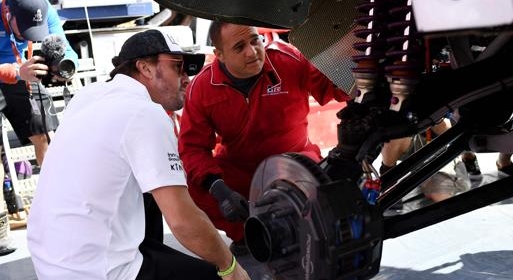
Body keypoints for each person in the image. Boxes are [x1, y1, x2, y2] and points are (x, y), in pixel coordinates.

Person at [27, 29, 250, 280]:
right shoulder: (144, 113)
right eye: (178, 67)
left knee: (150, 189)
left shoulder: (87, 97)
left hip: (51, 262)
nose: (186, 78)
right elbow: (182, 220)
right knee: (215, 276)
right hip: (95, 271)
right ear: (144, 68)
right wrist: (230, 267)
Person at [178, 21, 351, 255]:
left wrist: (350, 58)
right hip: (240, 175)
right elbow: (192, 149)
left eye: (254, 40)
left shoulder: (289, 60)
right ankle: (249, 235)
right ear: (219, 55)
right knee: (194, 188)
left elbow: (335, 87)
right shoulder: (201, 87)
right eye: (239, 47)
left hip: (294, 164)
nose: (252, 51)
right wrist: (219, 188)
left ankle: (301, 230)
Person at [0, 0, 78, 166]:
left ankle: (53, 190)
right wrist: (18, 72)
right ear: (8, 14)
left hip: (20, 71)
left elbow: (64, 46)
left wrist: (67, 67)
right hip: (17, 71)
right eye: (25, 30)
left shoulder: (40, 3)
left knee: (45, 132)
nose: (29, 37)